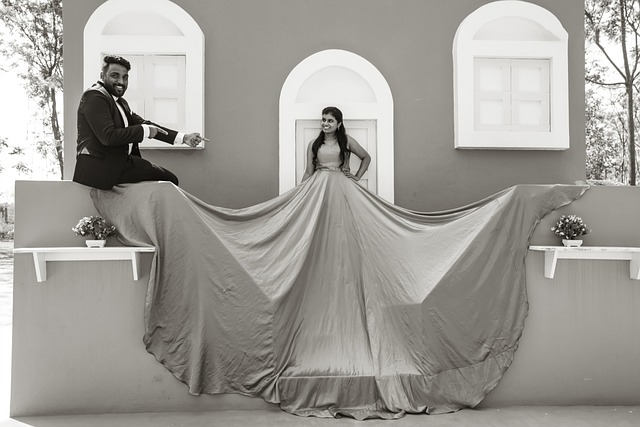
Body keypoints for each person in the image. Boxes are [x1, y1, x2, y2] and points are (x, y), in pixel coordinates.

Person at [72, 55, 207, 190]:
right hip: (102, 169)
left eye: (125, 77)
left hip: (122, 164)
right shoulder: (95, 96)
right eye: (115, 75)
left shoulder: (120, 101)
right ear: (102, 75)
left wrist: (184, 138)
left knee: (170, 180)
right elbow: (108, 137)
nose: (121, 81)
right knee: (170, 180)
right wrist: (145, 131)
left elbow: (144, 123)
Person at [301, 106, 371, 183]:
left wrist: (357, 177)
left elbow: (366, 157)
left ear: (339, 124)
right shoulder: (313, 144)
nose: (325, 123)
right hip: (320, 184)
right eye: (324, 120)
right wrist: (300, 192)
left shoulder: (347, 141)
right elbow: (308, 172)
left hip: (343, 184)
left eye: (330, 121)